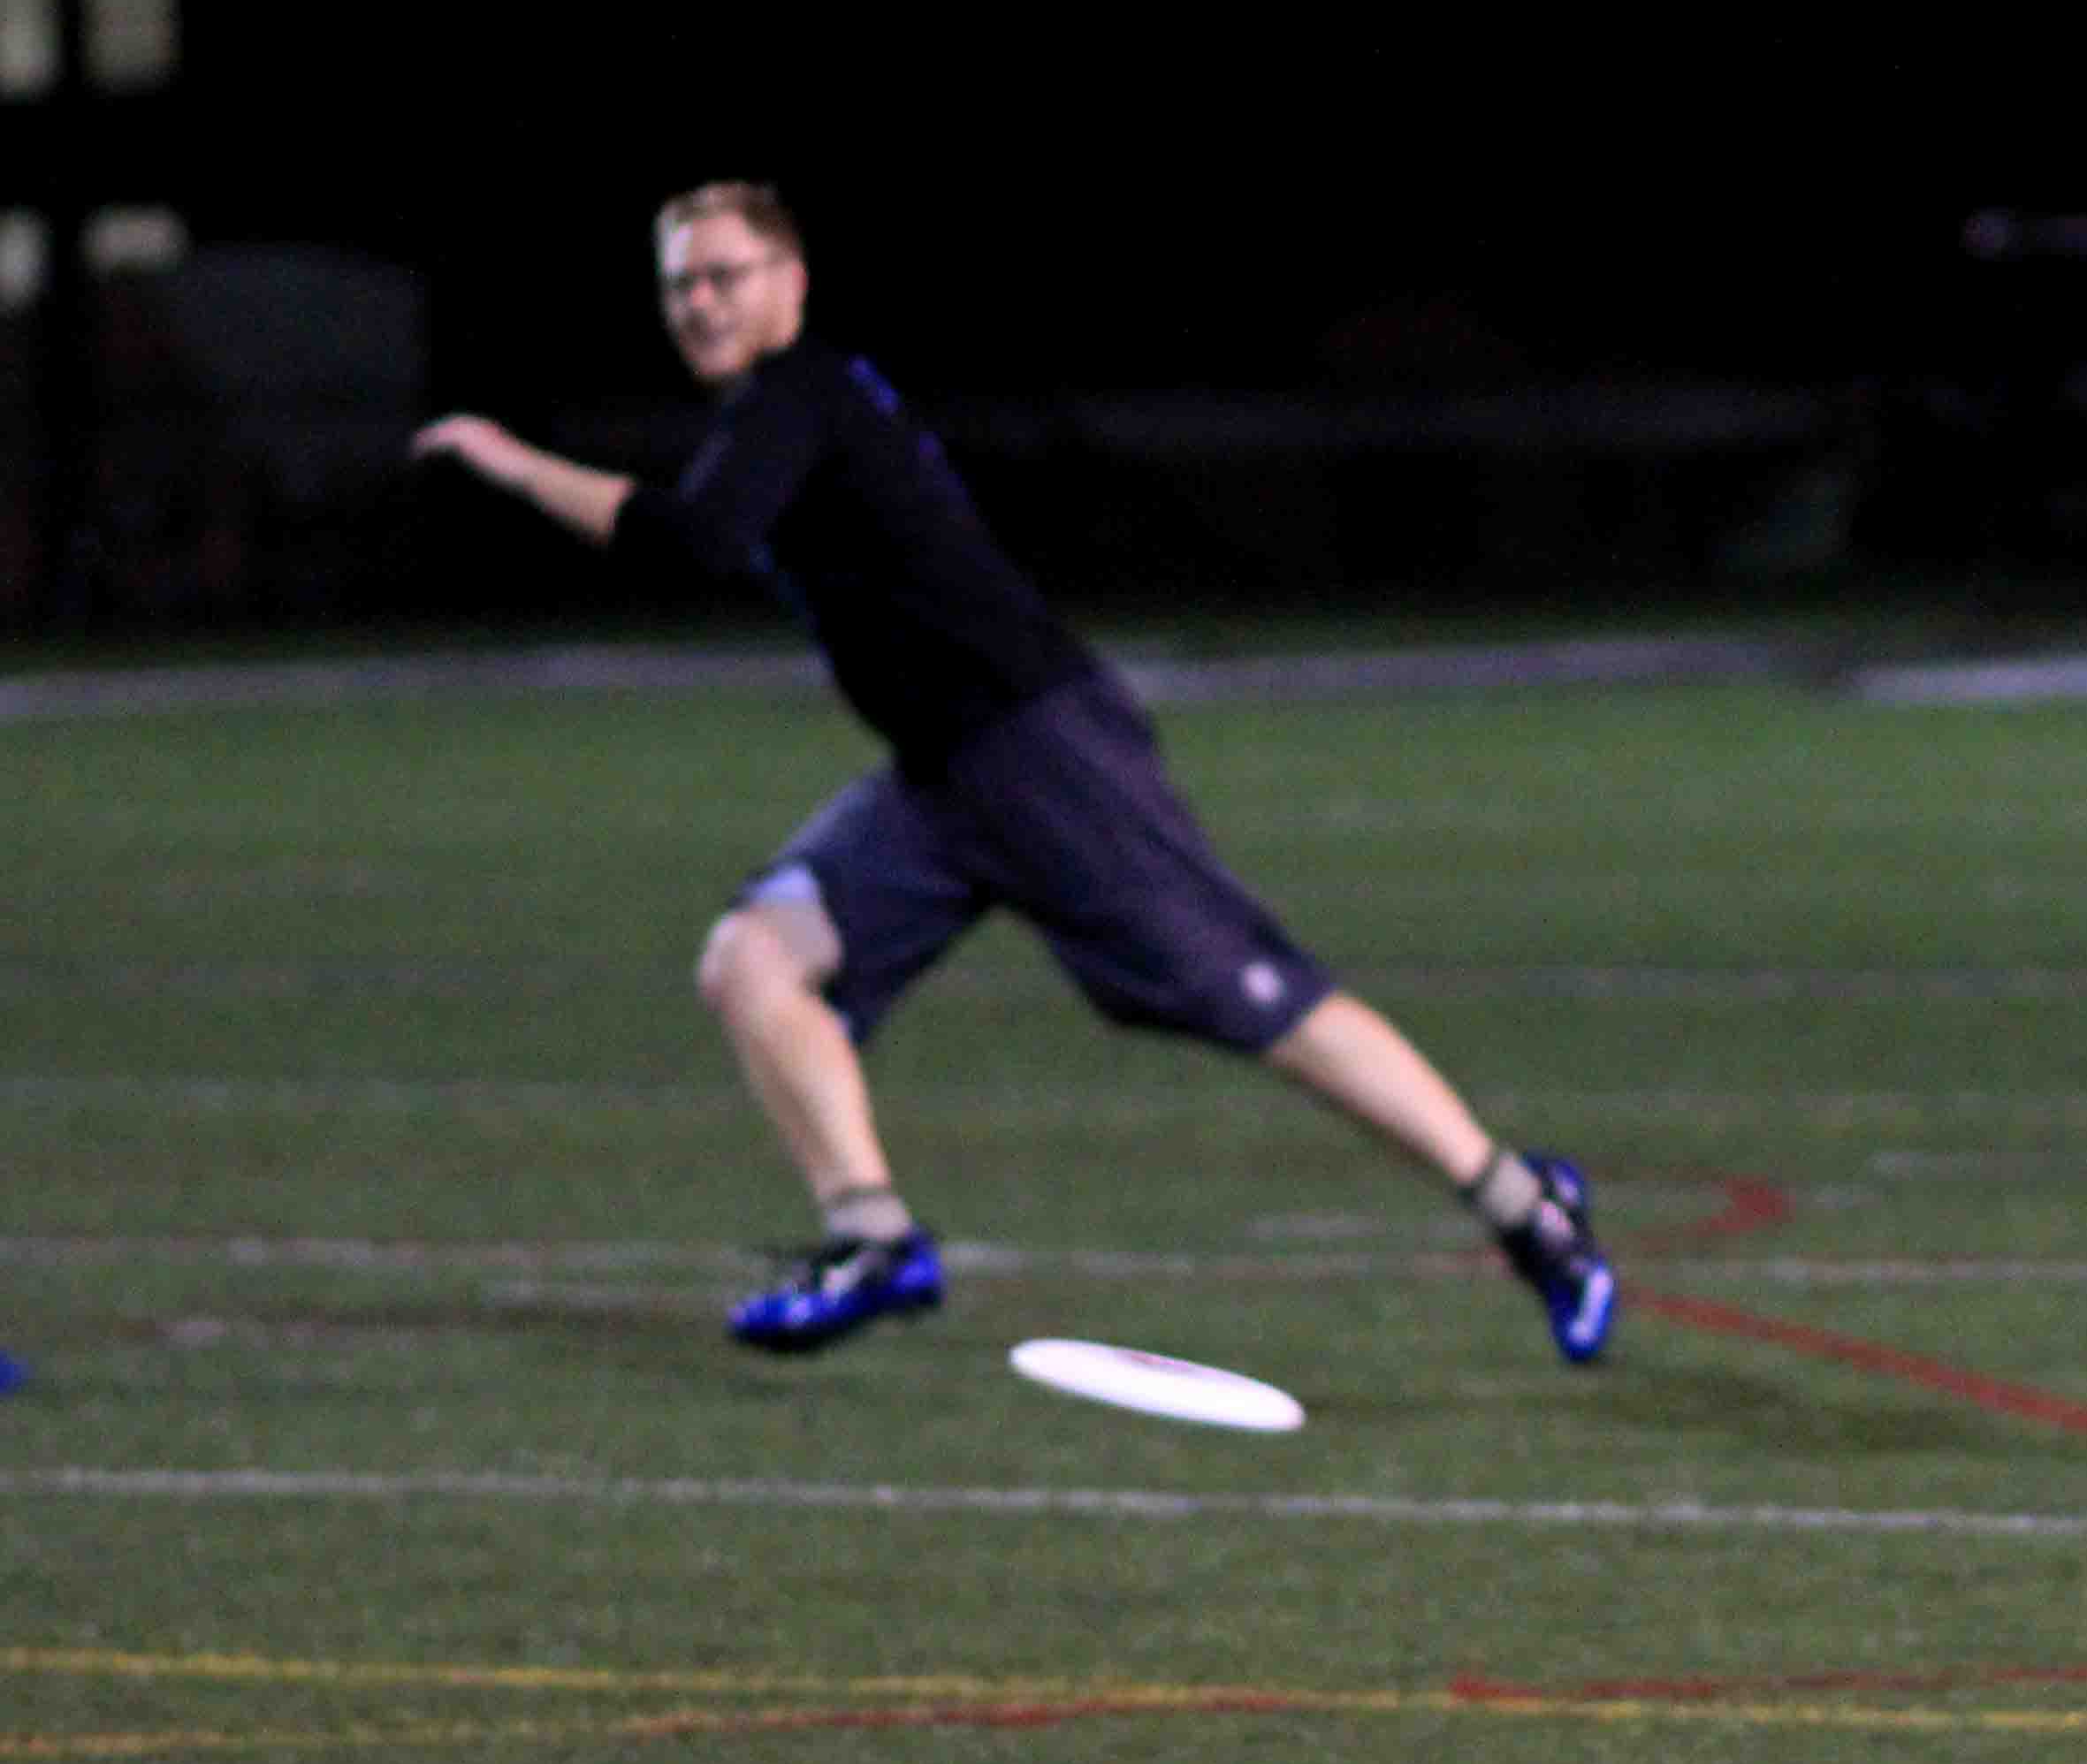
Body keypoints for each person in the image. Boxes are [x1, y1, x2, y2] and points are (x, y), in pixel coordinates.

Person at [412, 181, 1618, 1360]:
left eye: (725, 275)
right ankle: (874, 1239)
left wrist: (513, 464)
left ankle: (1527, 1210)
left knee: (1263, 1006)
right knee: (753, 962)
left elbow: (699, 542)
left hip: (1043, 757)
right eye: (680, 286)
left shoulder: (799, 390)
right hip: (942, 778)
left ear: (793, 280)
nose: (701, 304)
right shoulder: (783, 409)